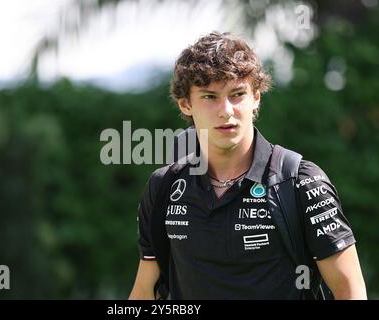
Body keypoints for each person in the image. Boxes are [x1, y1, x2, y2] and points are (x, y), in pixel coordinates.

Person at [128, 32, 367, 300]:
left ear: (256, 97)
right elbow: (145, 292)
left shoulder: (300, 182)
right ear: (186, 104)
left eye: (237, 94)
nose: (226, 110)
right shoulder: (164, 187)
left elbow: (350, 291)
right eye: (209, 97)